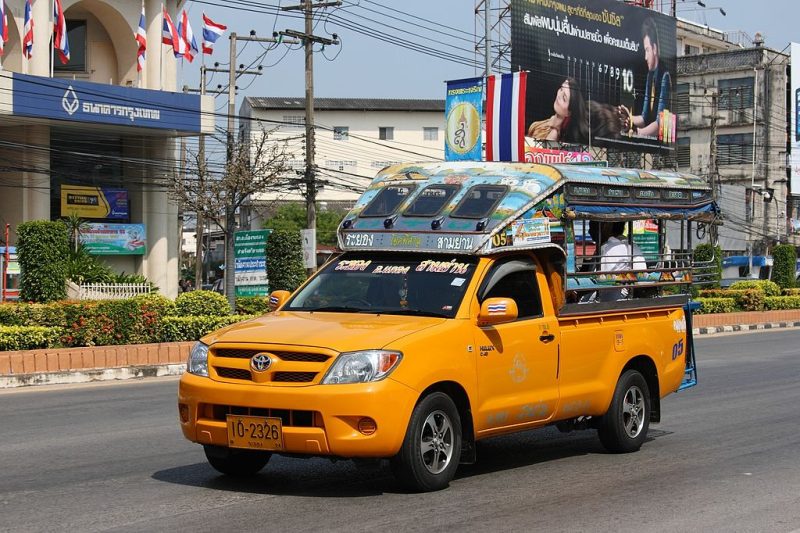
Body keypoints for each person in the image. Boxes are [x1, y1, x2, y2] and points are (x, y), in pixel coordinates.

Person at [528, 78, 624, 145]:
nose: (559, 95)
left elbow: (543, 155)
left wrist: (555, 131)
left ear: (569, 112)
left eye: (564, 98)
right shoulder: (546, 123)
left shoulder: (560, 137)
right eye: (561, 89)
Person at [619, 18, 671, 138]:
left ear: (654, 49)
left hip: (662, 143)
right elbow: (644, 117)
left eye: (647, 50)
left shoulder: (665, 76)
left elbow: (660, 123)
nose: (645, 57)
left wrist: (637, 132)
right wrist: (628, 117)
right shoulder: (650, 76)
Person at [598, 222, 646, 301]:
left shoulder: (606, 247)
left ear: (607, 228)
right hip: (632, 286)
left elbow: (601, 276)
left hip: (612, 291)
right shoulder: (633, 245)